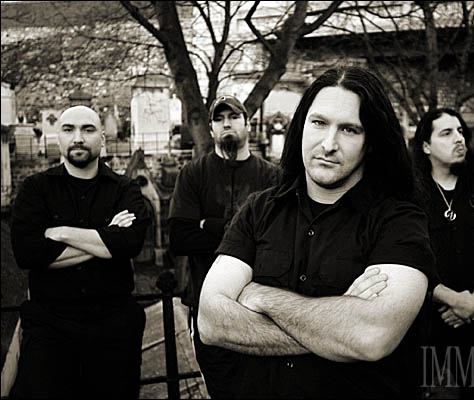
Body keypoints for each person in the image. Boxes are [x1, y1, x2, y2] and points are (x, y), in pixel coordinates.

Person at [198, 66, 436, 398]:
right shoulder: (258, 211)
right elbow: (210, 321)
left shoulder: (399, 221)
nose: (328, 144)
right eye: (319, 123)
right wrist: (336, 329)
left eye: (349, 129)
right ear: (301, 126)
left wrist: (261, 297)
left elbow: (371, 336)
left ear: (370, 142)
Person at [9, 105, 150, 399]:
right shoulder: (35, 189)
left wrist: (60, 233)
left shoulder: (125, 189)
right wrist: (106, 237)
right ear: (58, 137)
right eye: (69, 129)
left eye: (87, 129)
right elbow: (28, 252)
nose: (78, 138)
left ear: (102, 138)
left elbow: (129, 243)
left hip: (113, 330)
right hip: (50, 329)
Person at [168, 95, 280, 398]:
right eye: (219, 119)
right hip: (207, 304)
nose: (226, 123)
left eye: (233, 116)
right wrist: (245, 234)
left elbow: (277, 243)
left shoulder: (272, 177)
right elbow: (180, 238)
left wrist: (209, 224)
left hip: (259, 308)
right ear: (211, 128)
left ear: (247, 123)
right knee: (219, 388)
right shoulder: (193, 174)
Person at [410, 108, 474, 398]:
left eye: (460, 131)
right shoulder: (408, 195)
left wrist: (472, 302)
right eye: (446, 133)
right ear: (426, 146)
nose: (459, 139)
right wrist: (452, 299)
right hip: (425, 320)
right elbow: (403, 261)